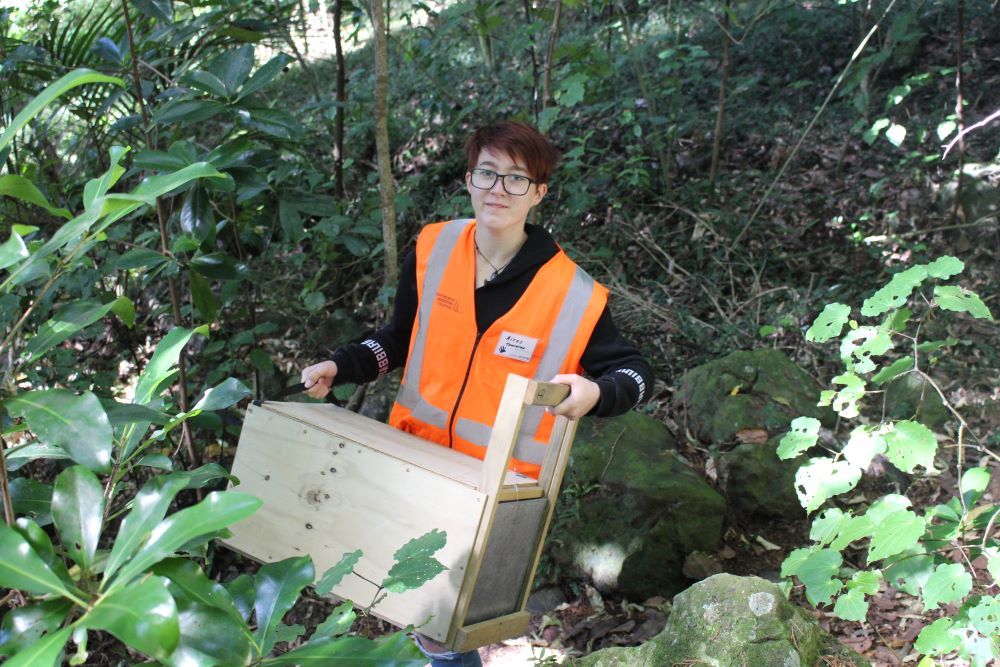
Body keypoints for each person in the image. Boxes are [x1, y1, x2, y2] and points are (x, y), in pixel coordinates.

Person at [301, 121, 653, 666]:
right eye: (487, 172)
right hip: (416, 464)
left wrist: (595, 392)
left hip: (498, 487)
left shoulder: (574, 292)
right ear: (469, 179)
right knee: (422, 617)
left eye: (516, 178)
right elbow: (396, 339)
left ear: (539, 192)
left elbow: (634, 375)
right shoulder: (434, 248)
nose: (497, 188)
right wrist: (339, 365)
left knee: (446, 627)